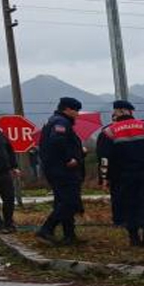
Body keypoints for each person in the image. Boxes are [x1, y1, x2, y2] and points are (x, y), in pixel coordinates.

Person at [96, 101, 144, 247]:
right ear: (131, 112)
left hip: (123, 178)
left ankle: (133, 237)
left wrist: (104, 178)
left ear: (118, 112)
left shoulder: (108, 132)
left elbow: (104, 158)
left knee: (129, 205)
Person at [36, 97, 86, 245]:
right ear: (67, 109)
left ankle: (69, 235)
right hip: (62, 170)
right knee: (69, 201)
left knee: (63, 201)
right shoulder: (60, 122)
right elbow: (57, 141)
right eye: (76, 110)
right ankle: (46, 229)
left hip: (57, 169)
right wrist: (69, 158)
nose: (77, 114)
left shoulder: (56, 120)